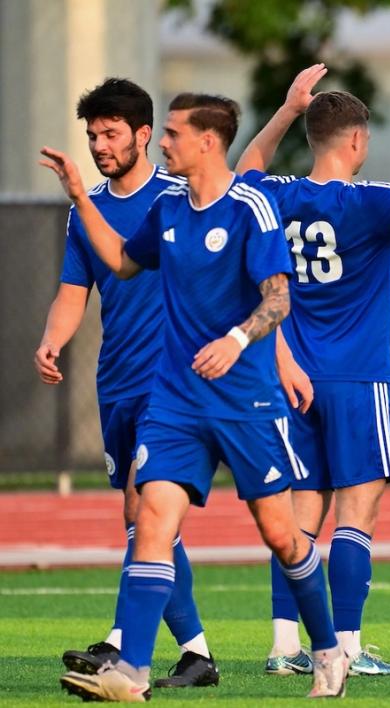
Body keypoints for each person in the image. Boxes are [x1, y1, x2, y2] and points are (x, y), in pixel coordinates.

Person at [42, 92, 348, 701]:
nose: (163, 144)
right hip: (175, 400)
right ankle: (130, 669)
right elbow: (124, 266)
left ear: (207, 141)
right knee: (150, 517)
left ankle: (328, 650)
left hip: (245, 403)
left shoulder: (250, 207)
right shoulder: (168, 208)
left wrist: (238, 339)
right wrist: (79, 194)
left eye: (173, 134)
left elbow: (279, 298)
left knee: (283, 537)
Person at [234, 63, 390, 676]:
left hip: (292, 379)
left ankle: (286, 647)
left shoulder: (277, 196)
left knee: (299, 520)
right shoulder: (369, 202)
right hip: (358, 379)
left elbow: (242, 174)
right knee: (356, 516)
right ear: (357, 140)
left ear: (311, 137)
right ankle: (349, 648)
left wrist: (286, 108)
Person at [34, 78, 216, 690]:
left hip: (175, 385)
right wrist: (53, 338)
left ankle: (123, 645)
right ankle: (194, 651)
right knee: (140, 518)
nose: (99, 145)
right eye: (92, 135)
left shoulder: (178, 198)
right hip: (117, 381)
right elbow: (72, 289)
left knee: (147, 509)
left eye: (111, 133)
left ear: (144, 135)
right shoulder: (85, 211)